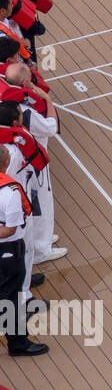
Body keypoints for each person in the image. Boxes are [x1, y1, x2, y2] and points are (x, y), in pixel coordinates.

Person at [3, 62, 61, 268]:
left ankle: (39, 241)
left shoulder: (7, 107)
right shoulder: (27, 112)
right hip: (32, 171)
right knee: (42, 205)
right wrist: (48, 100)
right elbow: (50, 127)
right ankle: (42, 248)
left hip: (20, 176)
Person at [0, 100, 44, 356]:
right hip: (8, 247)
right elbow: (12, 228)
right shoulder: (10, 191)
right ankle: (17, 343)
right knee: (10, 297)